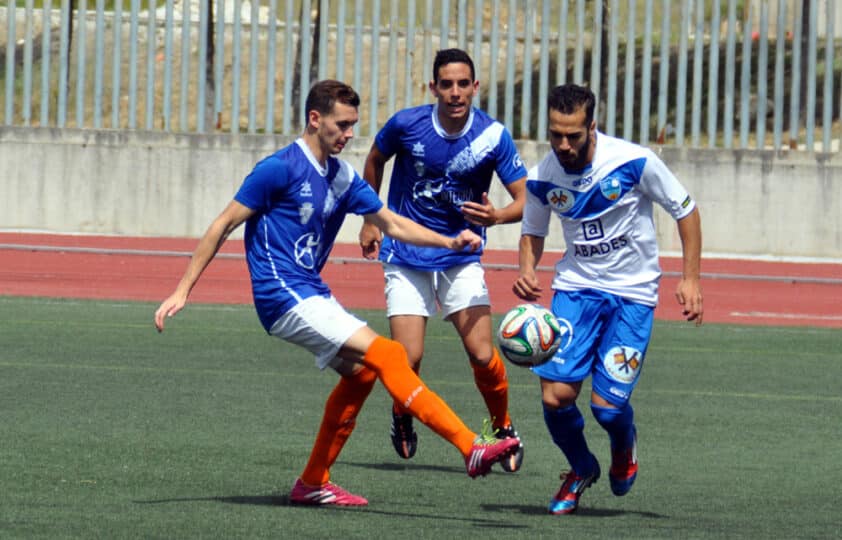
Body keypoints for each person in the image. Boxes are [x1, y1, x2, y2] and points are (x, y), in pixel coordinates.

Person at [154, 80, 519, 507]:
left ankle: (312, 481)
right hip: (283, 295)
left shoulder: (341, 175)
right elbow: (223, 223)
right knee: (390, 355)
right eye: (342, 125)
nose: (349, 135)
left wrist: (450, 242)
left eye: (353, 126)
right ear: (315, 119)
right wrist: (183, 290)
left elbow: (391, 222)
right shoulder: (280, 168)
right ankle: (469, 446)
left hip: (311, 292)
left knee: (363, 372)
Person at [512, 83, 703, 515]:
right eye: (555, 134)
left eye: (573, 135)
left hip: (632, 297)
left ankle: (624, 444)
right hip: (576, 291)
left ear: (592, 127)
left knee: (607, 409)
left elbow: (686, 209)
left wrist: (690, 279)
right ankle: (580, 468)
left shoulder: (633, 161)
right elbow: (533, 231)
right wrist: (527, 269)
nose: (563, 144)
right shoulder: (543, 176)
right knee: (555, 397)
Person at [358, 48, 528, 472]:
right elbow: (375, 159)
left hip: (462, 255)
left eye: (463, 84)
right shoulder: (406, 124)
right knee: (407, 360)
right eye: (446, 84)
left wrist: (498, 215)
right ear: (432, 87)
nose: (455, 93)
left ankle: (502, 428)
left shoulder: (492, 136)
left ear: (475, 86)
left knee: (481, 352)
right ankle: (402, 412)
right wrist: (370, 219)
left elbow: (525, 199)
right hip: (406, 253)